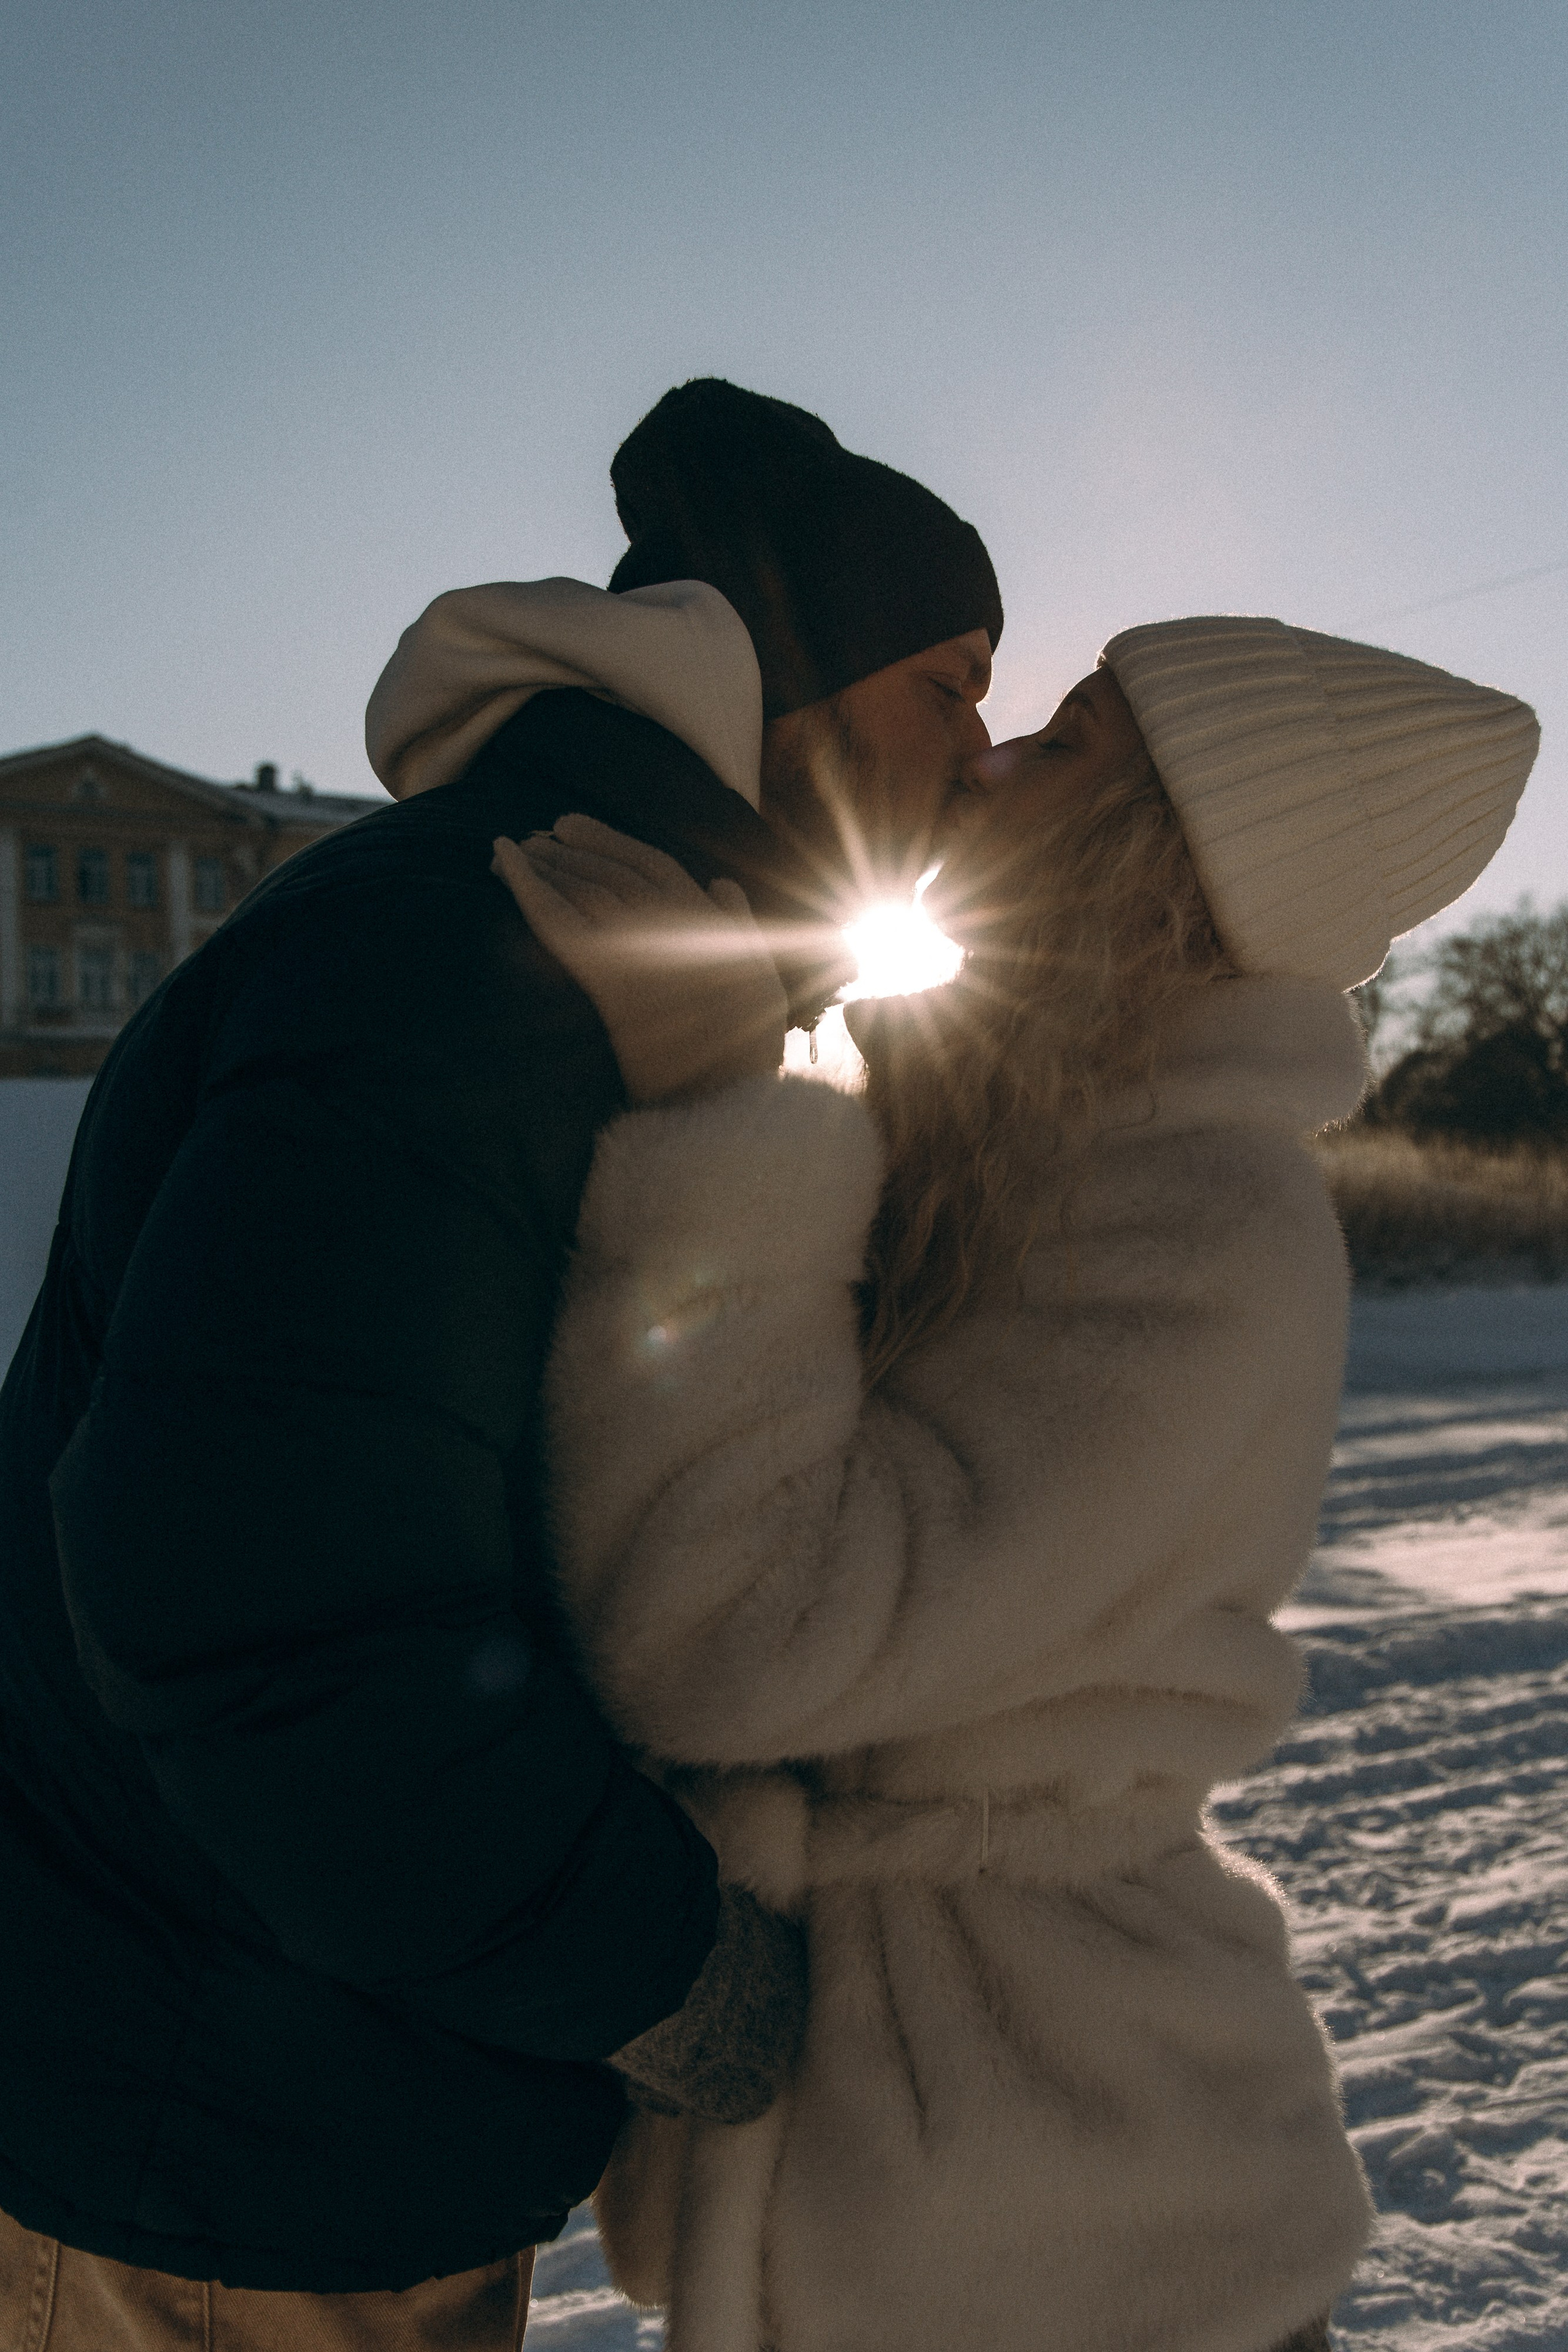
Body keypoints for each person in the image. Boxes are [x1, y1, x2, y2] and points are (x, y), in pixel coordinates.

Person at [0, 380, 1000, 2343]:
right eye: (948, 685)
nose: (978, 752)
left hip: (313, 2091)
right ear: (803, 677)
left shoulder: (586, 940)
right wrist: (662, 1969)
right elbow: (251, 1592)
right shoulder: (465, 944)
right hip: (207, 2144)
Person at [496, 616, 1539, 2352]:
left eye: (1063, 746)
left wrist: (705, 1111)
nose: (984, 758)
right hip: (970, 2176)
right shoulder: (1012, 1148)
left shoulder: (1202, 1228)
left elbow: (743, 1630)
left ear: (1166, 861)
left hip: (1079, 2209)